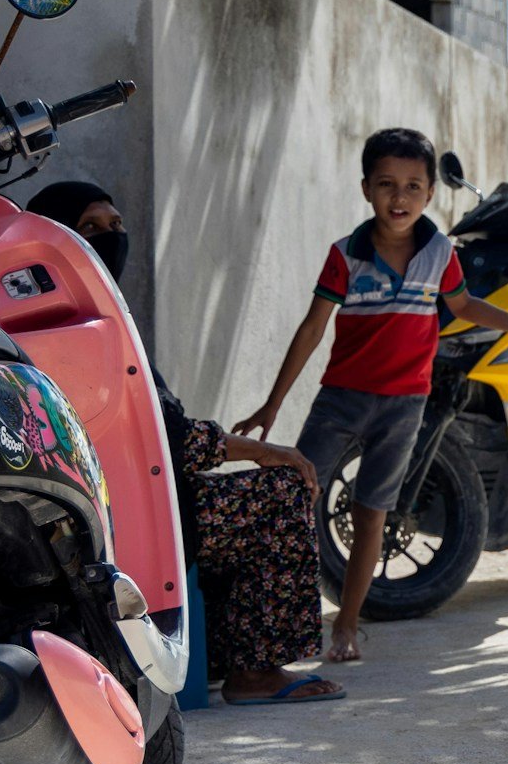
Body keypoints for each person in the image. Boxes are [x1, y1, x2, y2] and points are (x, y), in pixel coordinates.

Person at [231, 129, 508, 662]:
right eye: (386, 184)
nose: (398, 197)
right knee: (291, 497)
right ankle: (272, 623)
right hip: (341, 400)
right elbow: (312, 328)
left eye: (412, 186)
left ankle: (347, 628)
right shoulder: (345, 256)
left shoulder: (439, 255)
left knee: (371, 516)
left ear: (430, 194)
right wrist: (272, 403)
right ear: (366, 189)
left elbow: (466, 306)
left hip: (404, 406)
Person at [24, 180, 345, 707]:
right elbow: (172, 441)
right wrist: (268, 451)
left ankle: (218, 655)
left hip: (94, 518)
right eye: (90, 230)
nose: (111, 238)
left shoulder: (56, 321)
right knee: (280, 492)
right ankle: (255, 672)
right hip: (127, 525)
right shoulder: (85, 330)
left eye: (116, 226)